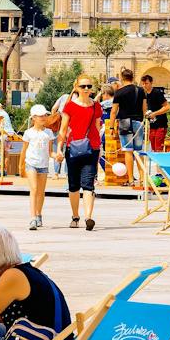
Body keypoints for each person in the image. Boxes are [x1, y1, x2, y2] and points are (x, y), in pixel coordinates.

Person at [58, 74, 102, 230]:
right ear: (76, 88)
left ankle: (89, 217)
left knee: (88, 184)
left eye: (89, 86)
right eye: (83, 86)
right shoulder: (70, 106)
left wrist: (100, 148)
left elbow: (97, 128)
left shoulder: (96, 106)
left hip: (92, 148)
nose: (86, 89)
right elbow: (63, 130)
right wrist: (59, 149)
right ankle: (75, 216)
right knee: (74, 185)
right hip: (73, 148)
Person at [22, 104, 56, 229]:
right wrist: (21, 166)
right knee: (34, 189)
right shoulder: (28, 133)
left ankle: (38, 214)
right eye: (40, 116)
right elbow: (24, 150)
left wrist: (56, 155)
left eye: (45, 115)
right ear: (34, 118)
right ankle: (32, 218)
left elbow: (50, 151)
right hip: (31, 163)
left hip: (43, 164)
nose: (43, 117)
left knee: (41, 192)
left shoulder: (49, 133)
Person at [111, 69, 144, 146]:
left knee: (128, 151)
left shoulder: (119, 92)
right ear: (132, 78)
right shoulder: (140, 90)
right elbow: (144, 108)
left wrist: (111, 127)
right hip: (138, 121)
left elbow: (113, 111)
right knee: (138, 151)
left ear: (122, 78)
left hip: (124, 122)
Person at [139, 73, 170, 152]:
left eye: (146, 83)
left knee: (158, 148)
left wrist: (155, 113)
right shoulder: (144, 95)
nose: (144, 85)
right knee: (153, 148)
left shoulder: (157, 93)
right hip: (152, 125)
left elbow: (167, 107)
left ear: (151, 83)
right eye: (143, 84)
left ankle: (159, 164)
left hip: (160, 124)